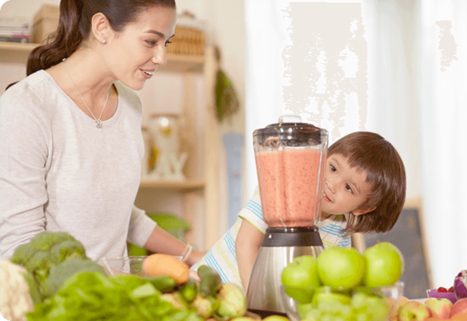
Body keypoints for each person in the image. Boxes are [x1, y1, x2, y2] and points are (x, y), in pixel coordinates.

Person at [0, 0, 204, 268]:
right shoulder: (27, 105)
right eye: (151, 41)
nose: (161, 58)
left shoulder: (130, 105)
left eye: (166, 43)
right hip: (52, 304)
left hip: (114, 301)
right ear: (102, 28)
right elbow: (21, 245)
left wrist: (195, 257)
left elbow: (115, 212)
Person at [192, 131, 407, 292]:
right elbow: (245, 243)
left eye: (349, 188)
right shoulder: (279, 189)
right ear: (321, 156)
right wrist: (256, 304)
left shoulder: (340, 230)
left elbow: (329, 278)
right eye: (333, 168)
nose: (332, 184)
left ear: (362, 209)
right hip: (210, 286)